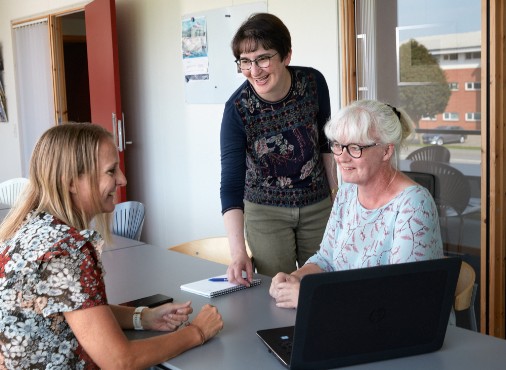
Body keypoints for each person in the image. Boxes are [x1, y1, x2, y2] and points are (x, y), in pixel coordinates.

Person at [0, 123, 223, 369]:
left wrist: (143, 317)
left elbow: (79, 311)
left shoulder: (28, 228)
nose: (122, 179)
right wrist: (198, 332)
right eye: (111, 171)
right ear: (72, 181)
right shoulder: (68, 250)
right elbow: (120, 361)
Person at [269, 100, 444, 309]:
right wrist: (294, 279)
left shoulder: (414, 203)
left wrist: (312, 298)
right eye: (337, 145)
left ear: (386, 151)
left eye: (354, 148)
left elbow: (402, 295)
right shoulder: (347, 192)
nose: (341, 158)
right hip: (347, 319)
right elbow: (326, 259)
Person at [220, 13, 338, 285]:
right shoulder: (237, 110)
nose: (255, 70)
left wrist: (336, 196)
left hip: (317, 204)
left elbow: (325, 144)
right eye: (245, 62)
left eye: (263, 58)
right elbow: (231, 184)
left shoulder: (313, 83)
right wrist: (238, 253)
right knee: (276, 289)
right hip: (265, 213)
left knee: (324, 285)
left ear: (286, 55)